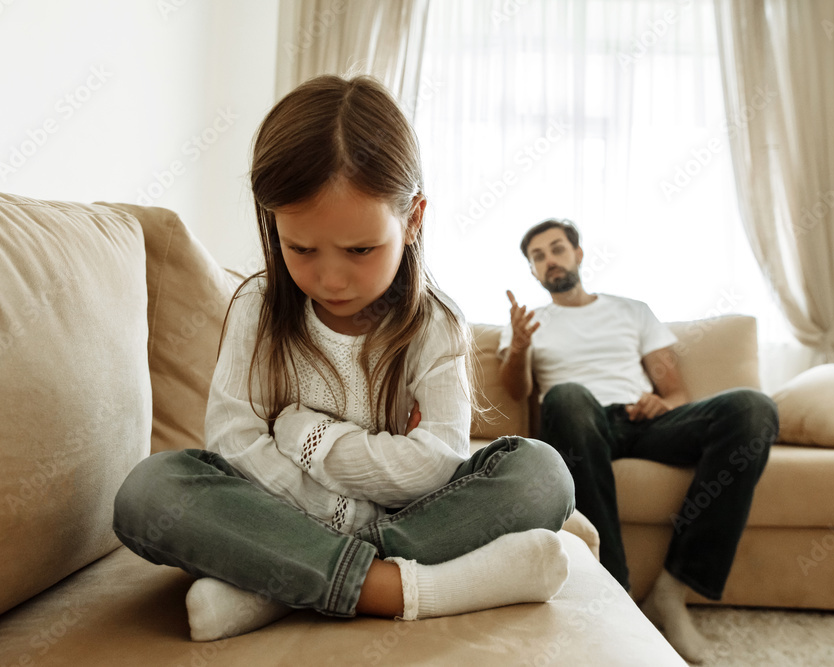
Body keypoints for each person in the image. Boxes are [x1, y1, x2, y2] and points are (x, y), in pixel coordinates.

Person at [113, 76, 575, 642]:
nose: (330, 279)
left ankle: (282, 584)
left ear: (412, 220)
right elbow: (234, 441)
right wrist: (348, 510)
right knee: (149, 490)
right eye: (300, 248)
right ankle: (404, 588)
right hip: (283, 515)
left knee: (540, 475)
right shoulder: (258, 306)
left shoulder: (436, 323)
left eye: (360, 250)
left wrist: (306, 435)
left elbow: (435, 465)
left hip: (379, 521)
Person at [498, 218, 778, 663]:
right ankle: (616, 595)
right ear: (533, 271)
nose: (549, 259)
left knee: (753, 408)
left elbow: (678, 394)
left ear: (578, 254)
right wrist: (517, 345)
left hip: (641, 422)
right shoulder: (528, 324)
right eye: (538, 256)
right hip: (579, 426)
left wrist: (660, 405)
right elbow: (516, 392)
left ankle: (673, 589)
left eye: (557, 248)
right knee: (567, 395)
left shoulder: (633, 310)